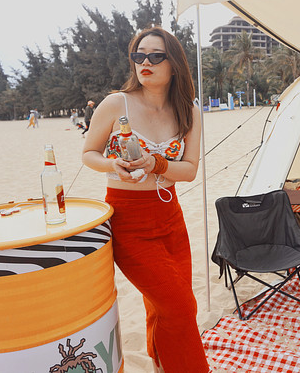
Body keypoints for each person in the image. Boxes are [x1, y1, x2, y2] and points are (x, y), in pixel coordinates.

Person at [82, 27, 207, 372]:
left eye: (155, 56)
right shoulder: (116, 103)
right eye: (139, 56)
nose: (145, 62)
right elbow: (89, 154)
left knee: (163, 306)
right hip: (128, 223)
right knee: (180, 306)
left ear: (174, 64)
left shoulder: (188, 111)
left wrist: (157, 164)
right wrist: (112, 164)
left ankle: (161, 364)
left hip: (171, 220)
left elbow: (190, 170)